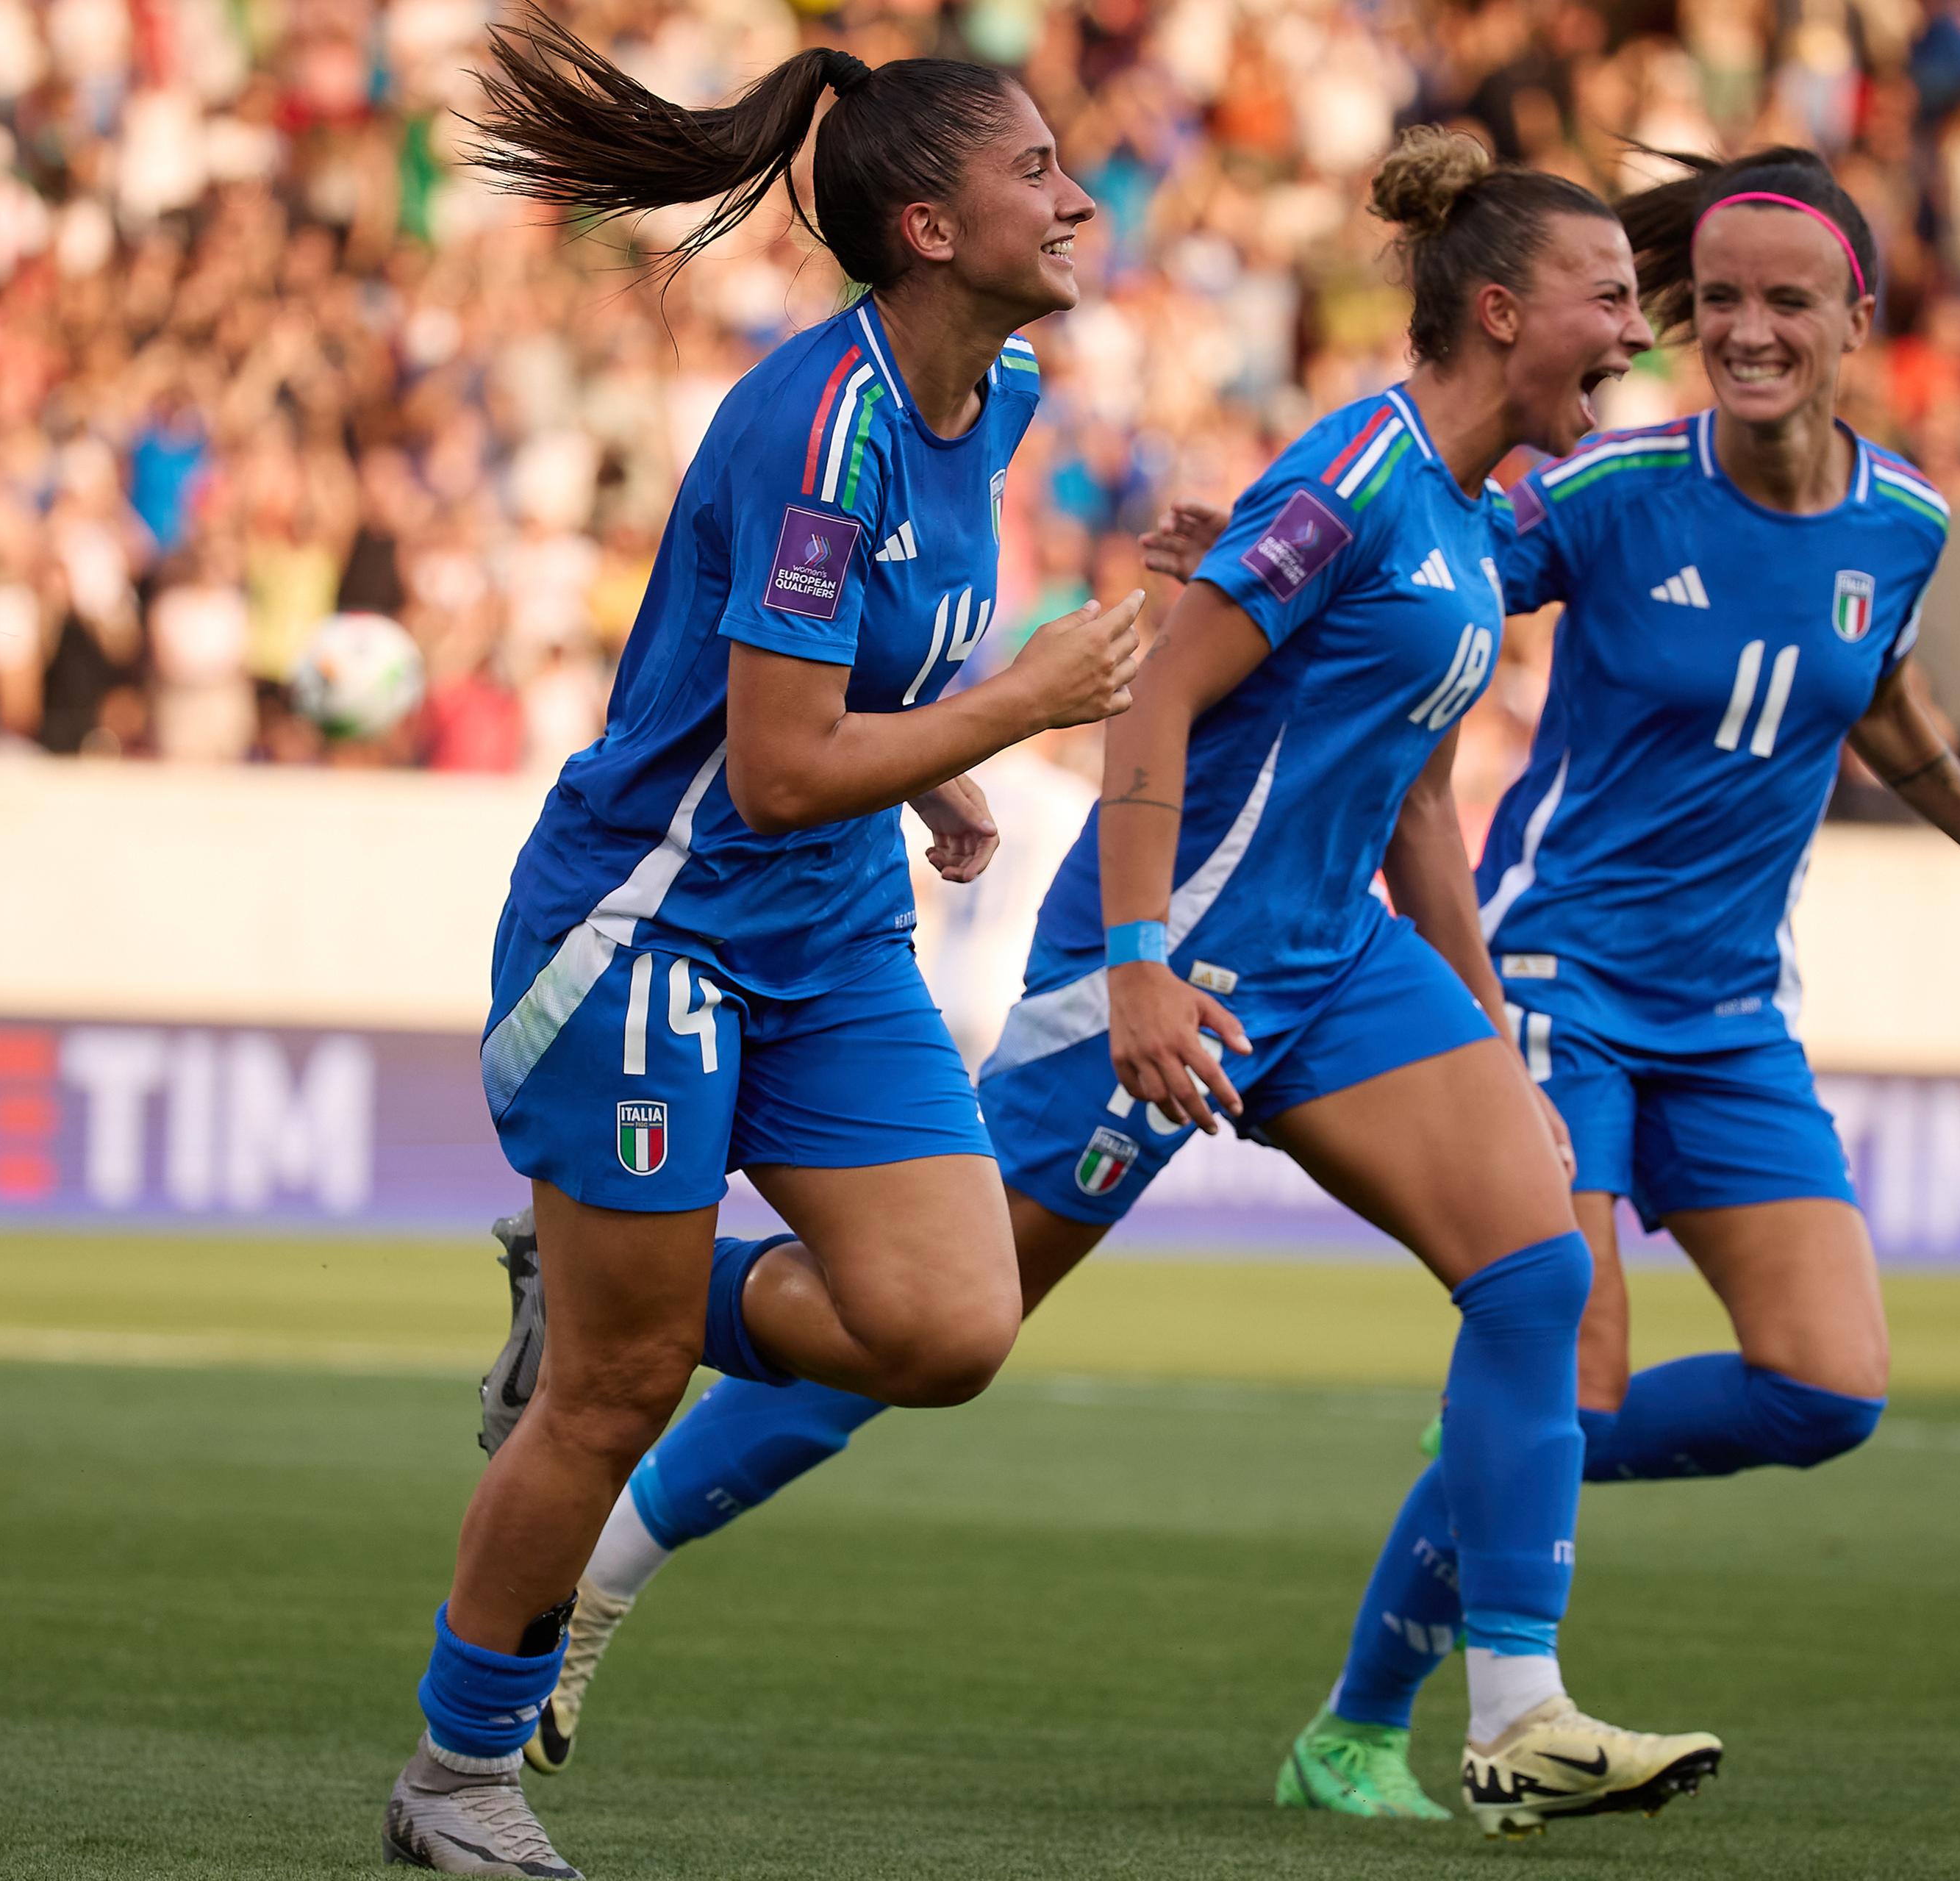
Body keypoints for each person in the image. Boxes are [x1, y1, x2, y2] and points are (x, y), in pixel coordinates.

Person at [501, 127, 1728, 1841]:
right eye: (1611, 299)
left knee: (1534, 1263)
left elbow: (1415, 791)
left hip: (1337, 959)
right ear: (1502, 308)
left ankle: (1515, 1709)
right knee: (930, 1325)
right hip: (1179, 963)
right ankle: (608, 1516)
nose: (1636, 333)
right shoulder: (1356, 478)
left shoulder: (1468, 508)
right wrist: (1139, 965)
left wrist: (1485, 1023)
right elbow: (1148, 707)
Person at [382, 26, 1148, 1876]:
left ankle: (602, 1279)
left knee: (949, 1323)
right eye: (1034, 168)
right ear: (925, 224)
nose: (1075, 193)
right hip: (648, 932)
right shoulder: (824, 427)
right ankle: (453, 1779)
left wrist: (941, 771)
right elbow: (779, 761)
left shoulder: (1003, 391)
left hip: (821, 928)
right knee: (616, 1399)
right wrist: (1009, 711)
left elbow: (849, 706)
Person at [1303, 144, 1960, 1798]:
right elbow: (1417, 559)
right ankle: (1369, 1727)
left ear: (1859, 320)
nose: (1750, 330)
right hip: (1559, 974)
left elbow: (1886, 713)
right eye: (1721, 302)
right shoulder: (1609, 492)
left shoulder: (1905, 519)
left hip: (1732, 1008)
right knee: (1575, 1359)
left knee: (1828, 1386)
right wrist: (1261, 560)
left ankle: (1496, 1462)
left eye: (1789, 303)